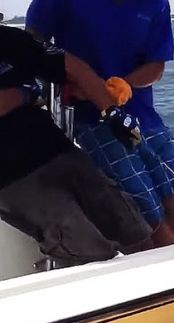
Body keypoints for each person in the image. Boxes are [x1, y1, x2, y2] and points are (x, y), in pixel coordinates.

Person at [26, 0, 174, 248]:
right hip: (89, 117)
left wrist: (124, 85)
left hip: (141, 113)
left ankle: (147, 250)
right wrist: (65, 79)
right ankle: (157, 251)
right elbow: (31, 41)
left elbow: (156, 65)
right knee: (149, 215)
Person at [0, 21, 154, 265]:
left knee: (133, 229)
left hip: (56, 149)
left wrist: (111, 111)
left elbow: (72, 67)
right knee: (88, 254)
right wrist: (24, 93)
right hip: (12, 179)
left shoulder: (8, 39)